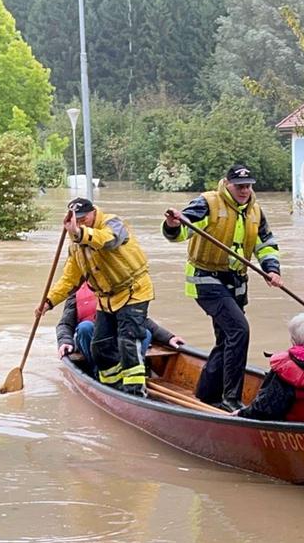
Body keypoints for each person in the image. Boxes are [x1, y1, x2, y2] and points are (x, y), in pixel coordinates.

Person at [162, 164, 283, 411]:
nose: (244, 190)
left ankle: (206, 392)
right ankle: (231, 399)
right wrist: (173, 225)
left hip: (236, 283)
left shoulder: (255, 212)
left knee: (227, 337)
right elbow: (182, 230)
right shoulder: (207, 203)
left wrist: (272, 269)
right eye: (239, 186)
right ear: (227, 184)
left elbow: (266, 245)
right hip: (205, 279)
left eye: (248, 186)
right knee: (240, 330)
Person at [39, 197, 153, 397]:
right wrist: (49, 301)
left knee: (128, 341)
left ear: (93, 213)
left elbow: (107, 241)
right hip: (106, 299)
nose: (81, 222)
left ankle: (135, 393)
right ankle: (112, 387)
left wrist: (79, 232)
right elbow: (69, 279)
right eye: (78, 220)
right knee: (100, 345)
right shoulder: (75, 245)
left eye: (84, 218)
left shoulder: (112, 223)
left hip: (132, 292)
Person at [55, 282, 186, 376]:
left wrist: (168, 337)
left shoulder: (120, 289)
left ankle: (131, 371)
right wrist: (65, 341)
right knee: (85, 327)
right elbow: (65, 324)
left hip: (116, 338)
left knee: (145, 333)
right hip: (90, 341)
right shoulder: (77, 292)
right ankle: (97, 372)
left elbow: (140, 319)